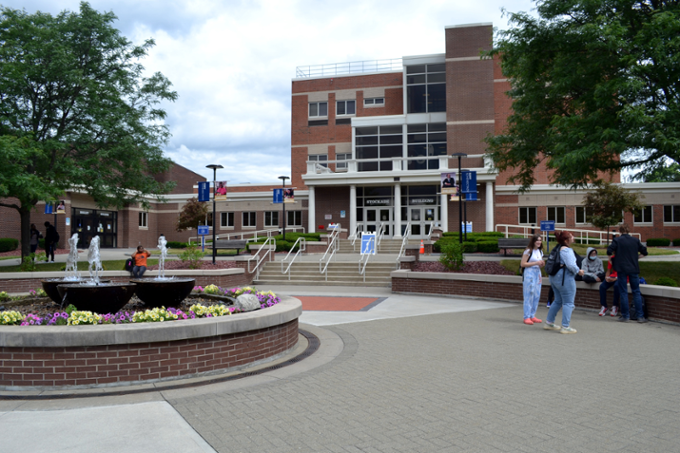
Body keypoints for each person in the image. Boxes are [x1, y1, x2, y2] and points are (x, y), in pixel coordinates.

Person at [544, 231, 584, 334]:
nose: (573, 237)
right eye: (571, 236)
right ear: (567, 240)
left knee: (557, 300)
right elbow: (571, 265)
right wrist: (578, 271)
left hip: (554, 278)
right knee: (568, 303)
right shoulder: (567, 250)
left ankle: (549, 322)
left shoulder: (557, 248)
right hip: (565, 279)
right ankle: (565, 326)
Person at [607, 224, 648, 323]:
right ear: (629, 231)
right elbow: (645, 252)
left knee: (623, 292)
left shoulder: (617, 240)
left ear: (620, 231)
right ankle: (640, 316)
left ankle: (625, 316)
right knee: (636, 292)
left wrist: (612, 260)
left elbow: (609, 250)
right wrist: (637, 258)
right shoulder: (635, 240)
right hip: (633, 269)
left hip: (621, 269)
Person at [520, 234, 545, 325]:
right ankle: (526, 316)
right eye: (537, 240)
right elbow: (523, 264)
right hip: (529, 273)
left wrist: (541, 264)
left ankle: (532, 315)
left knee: (536, 294)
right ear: (533, 241)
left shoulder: (540, 252)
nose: (539, 242)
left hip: (537, 273)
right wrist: (535, 262)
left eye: (540, 240)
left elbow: (538, 263)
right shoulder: (528, 251)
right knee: (529, 294)